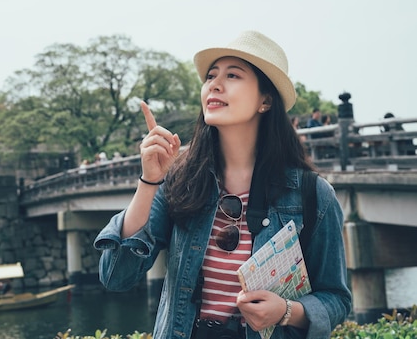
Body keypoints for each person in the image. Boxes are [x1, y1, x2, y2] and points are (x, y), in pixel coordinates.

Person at [94, 30, 351, 339]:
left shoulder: (312, 195)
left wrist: (285, 311)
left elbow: (335, 298)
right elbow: (115, 275)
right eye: (211, 76)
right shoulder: (181, 180)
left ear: (265, 100)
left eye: (233, 75)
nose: (214, 84)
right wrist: (150, 180)